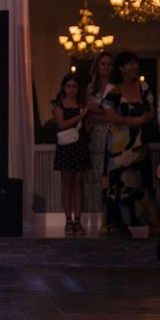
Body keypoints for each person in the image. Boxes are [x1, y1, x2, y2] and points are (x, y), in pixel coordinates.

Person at [100, 51, 158, 238]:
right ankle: (117, 225)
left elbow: (152, 110)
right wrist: (128, 122)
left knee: (143, 183)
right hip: (118, 146)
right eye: (130, 64)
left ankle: (152, 223)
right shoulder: (113, 89)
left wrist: (141, 120)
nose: (135, 67)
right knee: (117, 185)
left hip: (139, 144)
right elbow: (108, 113)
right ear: (122, 68)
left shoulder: (143, 86)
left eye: (136, 63)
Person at [52, 73, 90, 236]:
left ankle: (78, 220)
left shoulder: (83, 104)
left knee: (79, 183)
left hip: (80, 145)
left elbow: (88, 124)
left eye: (75, 86)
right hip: (66, 146)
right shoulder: (59, 105)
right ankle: (68, 219)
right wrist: (79, 116)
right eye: (68, 86)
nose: (72, 90)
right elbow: (61, 124)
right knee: (67, 183)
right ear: (63, 88)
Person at [83, 52, 113, 222]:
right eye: (103, 63)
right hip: (94, 134)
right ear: (97, 66)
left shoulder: (114, 88)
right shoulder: (90, 88)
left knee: (108, 174)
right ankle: (94, 214)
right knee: (94, 175)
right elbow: (89, 109)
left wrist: (99, 112)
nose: (106, 67)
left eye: (109, 64)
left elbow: (111, 113)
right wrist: (99, 111)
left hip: (111, 132)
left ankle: (108, 216)